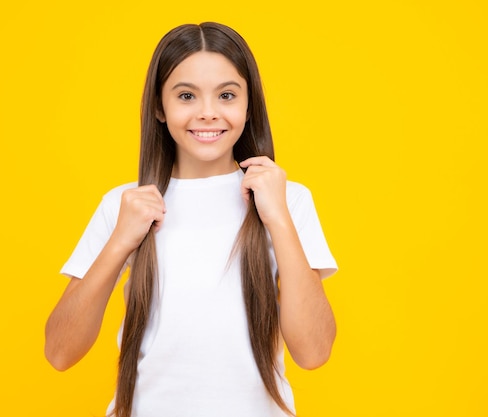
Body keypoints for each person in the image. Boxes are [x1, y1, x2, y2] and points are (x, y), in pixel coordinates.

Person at [45, 22, 338, 417]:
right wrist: (120, 242)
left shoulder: (289, 200)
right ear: (159, 107)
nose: (207, 113)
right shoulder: (124, 204)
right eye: (186, 95)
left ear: (249, 106)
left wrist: (279, 220)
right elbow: (60, 352)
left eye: (227, 95)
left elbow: (314, 351)